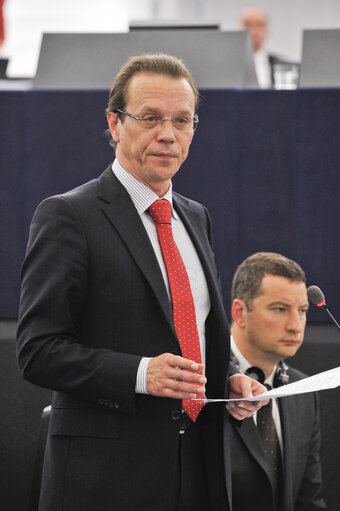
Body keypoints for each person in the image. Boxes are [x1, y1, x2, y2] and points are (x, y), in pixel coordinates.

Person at [17, 53, 266, 511]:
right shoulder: (68, 216)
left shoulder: (195, 217)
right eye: (150, 118)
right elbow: (38, 351)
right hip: (107, 478)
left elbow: (192, 334)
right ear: (114, 123)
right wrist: (139, 374)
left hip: (200, 470)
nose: (167, 134)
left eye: (182, 120)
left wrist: (226, 382)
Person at [226, 252, 327, 510]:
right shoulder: (202, 382)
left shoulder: (304, 391)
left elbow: (308, 500)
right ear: (240, 312)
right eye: (280, 309)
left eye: (302, 311)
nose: (296, 325)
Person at [240, 6, 297, 88]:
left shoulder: (286, 68)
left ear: (267, 31)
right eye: (248, 24)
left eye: (259, 25)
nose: (253, 31)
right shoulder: (227, 67)